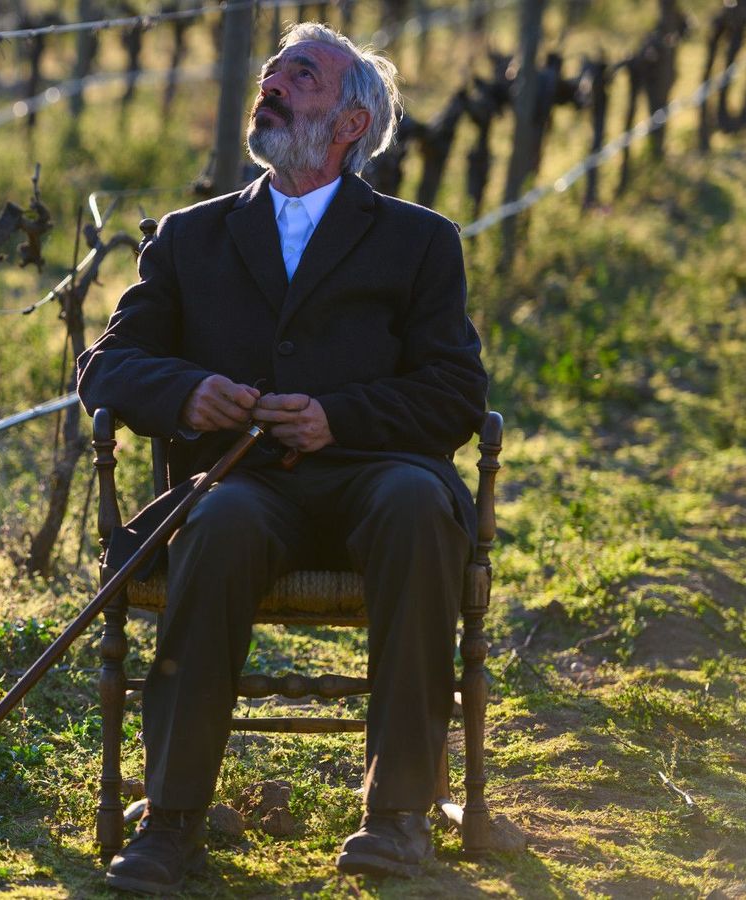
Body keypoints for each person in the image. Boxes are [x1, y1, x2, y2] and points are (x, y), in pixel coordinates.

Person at [77, 22, 490, 892]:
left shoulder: (419, 241)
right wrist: (186, 393)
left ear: (349, 124)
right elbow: (109, 366)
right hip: (246, 484)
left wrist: (338, 417)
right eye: (269, 72)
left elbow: (455, 396)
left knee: (421, 508)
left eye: (298, 76)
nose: (270, 83)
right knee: (216, 522)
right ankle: (172, 822)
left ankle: (399, 818)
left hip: (381, 476)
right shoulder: (192, 237)